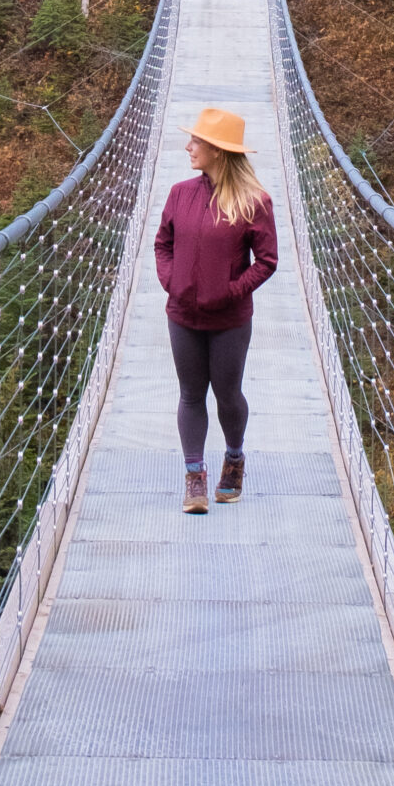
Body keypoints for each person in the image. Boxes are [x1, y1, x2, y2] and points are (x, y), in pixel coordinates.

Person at [154, 106, 278, 515]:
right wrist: (172, 282)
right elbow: (163, 244)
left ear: (219, 152)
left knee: (227, 395)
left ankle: (235, 460)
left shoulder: (254, 202)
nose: (188, 146)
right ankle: (194, 478)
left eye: (197, 142)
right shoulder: (179, 193)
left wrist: (231, 291)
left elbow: (266, 260)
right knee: (191, 395)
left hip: (228, 319)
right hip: (182, 316)